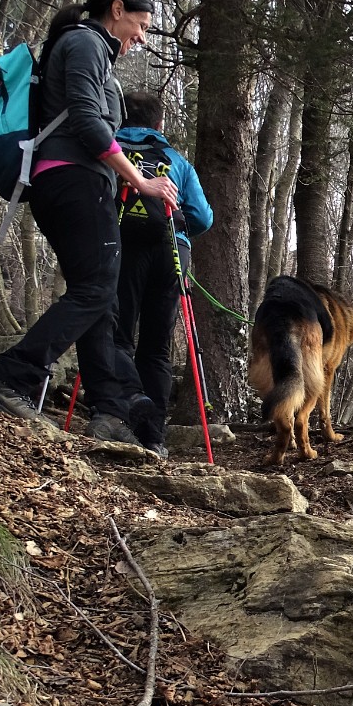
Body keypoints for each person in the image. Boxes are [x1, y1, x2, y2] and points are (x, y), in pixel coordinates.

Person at [0, 0, 178, 448]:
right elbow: (89, 122)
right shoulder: (86, 42)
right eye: (141, 24)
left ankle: (109, 409)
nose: (143, 36)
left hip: (68, 182)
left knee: (101, 298)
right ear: (116, 9)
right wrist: (141, 181)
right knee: (95, 291)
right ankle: (10, 377)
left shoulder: (86, 47)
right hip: (74, 180)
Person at [113, 90, 213, 456]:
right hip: (172, 248)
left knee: (117, 334)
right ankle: (153, 436)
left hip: (121, 244)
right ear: (159, 125)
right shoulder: (177, 162)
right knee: (156, 345)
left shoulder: (110, 152)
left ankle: (112, 414)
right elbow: (203, 218)